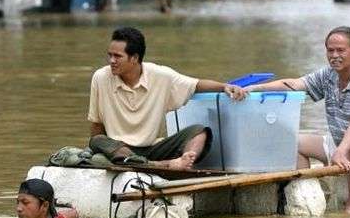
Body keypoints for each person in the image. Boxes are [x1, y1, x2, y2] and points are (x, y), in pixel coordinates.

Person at [246, 26, 350, 215]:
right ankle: (308, 196)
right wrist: (251, 89)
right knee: (292, 142)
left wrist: (341, 151)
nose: (334, 55)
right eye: (330, 50)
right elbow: (293, 85)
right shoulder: (328, 75)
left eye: (340, 50)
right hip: (341, 142)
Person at [88, 27, 246, 171]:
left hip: (151, 148)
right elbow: (96, 124)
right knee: (97, 140)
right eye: (110, 55)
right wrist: (97, 149)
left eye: (117, 56)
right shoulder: (100, 77)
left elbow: (196, 84)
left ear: (134, 58)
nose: (111, 61)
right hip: (117, 150)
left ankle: (185, 163)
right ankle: (164, 165)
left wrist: (225, 86)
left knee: (199, 131)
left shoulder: (161, 75)